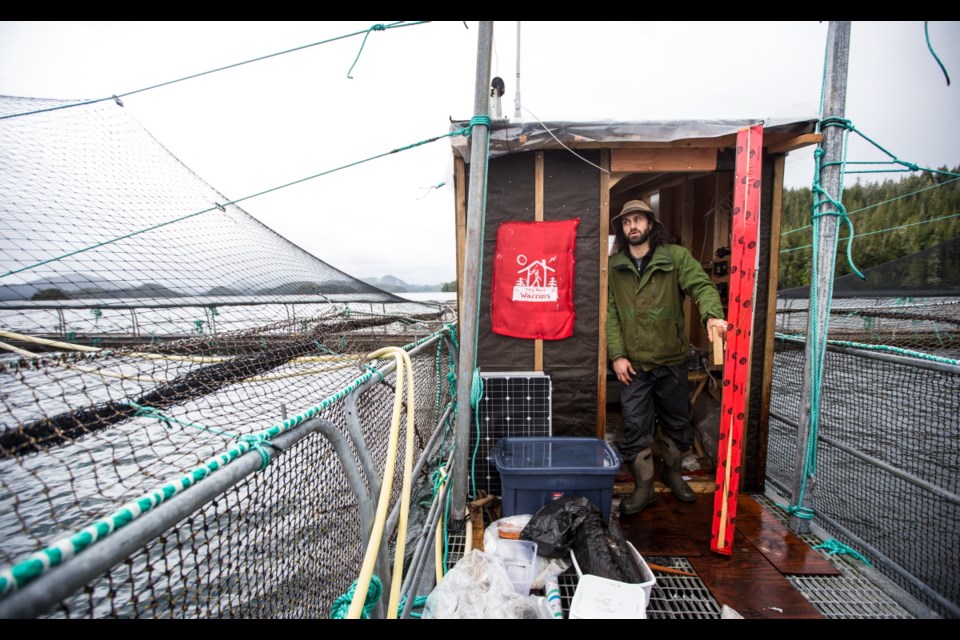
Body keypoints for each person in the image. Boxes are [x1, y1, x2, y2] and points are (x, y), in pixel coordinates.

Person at [606, 199, 727, 515]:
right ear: (621, 229)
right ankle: (643, 488)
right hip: (633, 365)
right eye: (627, 221)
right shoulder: (615, 267)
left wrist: (712, 316)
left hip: (672, 360)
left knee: (677, 422)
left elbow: (701, 286)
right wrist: (617, 356)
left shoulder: (676, 258)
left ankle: (674, 475)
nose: (633, 226)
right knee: (635, 426)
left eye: (638, 220)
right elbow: (611, 316)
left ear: (650, 224)